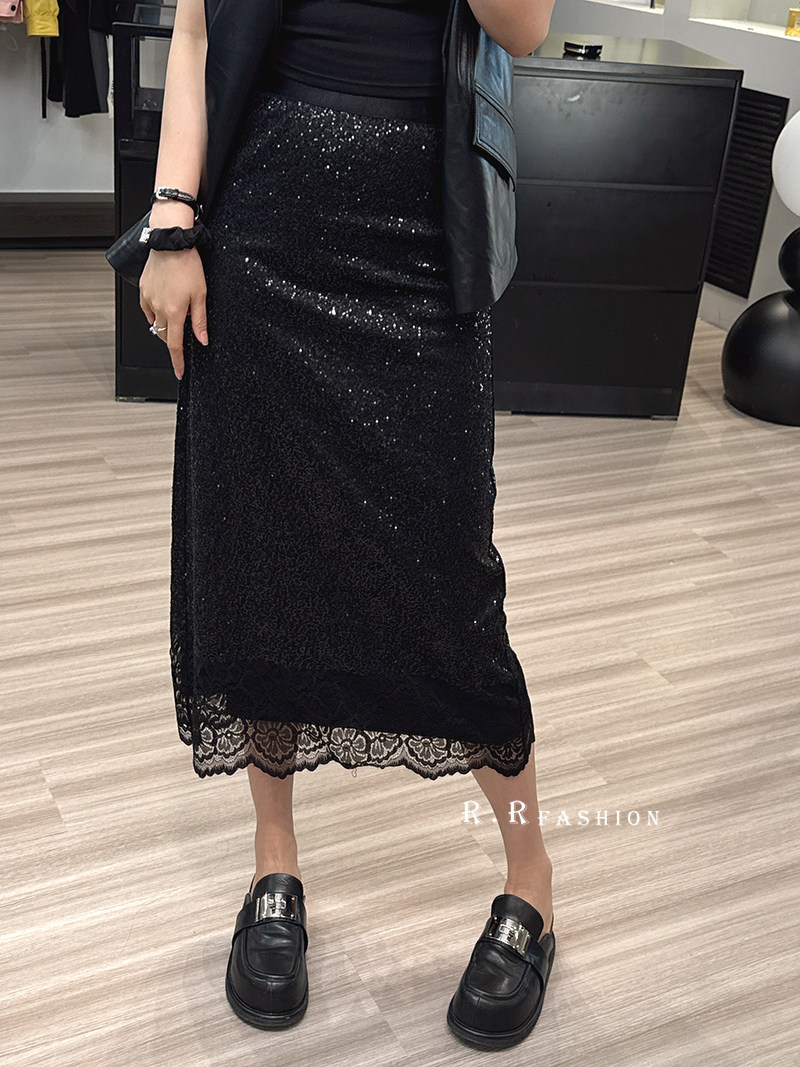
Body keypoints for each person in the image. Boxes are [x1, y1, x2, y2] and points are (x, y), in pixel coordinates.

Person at [138, 0, 556, 1051]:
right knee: (260, 558)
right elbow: (195, 32)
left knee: (450, 588)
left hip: (426, 244)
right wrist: (173, 221)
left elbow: (523, 30)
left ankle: (532, 876)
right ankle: (273, 863)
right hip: (262, 237)